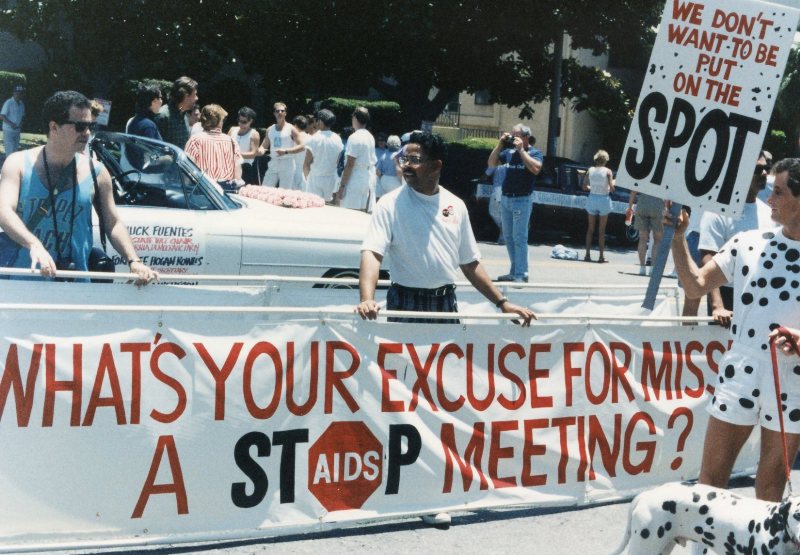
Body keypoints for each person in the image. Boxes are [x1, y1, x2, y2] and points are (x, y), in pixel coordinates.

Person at [671, 157, 800, 508]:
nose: (769, 200)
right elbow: (695, 286)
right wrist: (677, 237)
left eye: (778, 192)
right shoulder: (748, 242)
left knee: (770, 485)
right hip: (740, 369)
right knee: (711, 479)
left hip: (792, 381)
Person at [357, 130, 535, 328]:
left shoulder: (456, 206)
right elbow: (372, 254)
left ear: (435, 166)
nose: (406, 165)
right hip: (404, 301)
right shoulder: (388, 204)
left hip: (445, 302)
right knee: (403, 360)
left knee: (446, 360)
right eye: (404, 158)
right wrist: (367, 299)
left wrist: (502, 303)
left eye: (414, 159)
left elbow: (470, 264)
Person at [0, 90, 157, 284]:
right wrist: (34, 244)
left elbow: (113, 222)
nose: (88, 133)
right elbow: (4, 211)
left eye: (90, 126)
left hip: (75, 284)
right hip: (23, 281)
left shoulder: (97, 172)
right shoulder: (18, 164)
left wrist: (134, 261)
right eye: (80, 126)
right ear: (54, 127)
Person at [696, 150, 774, 327]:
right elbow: (708, 257)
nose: (764, 173)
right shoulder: (718, 210)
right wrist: (718, 306)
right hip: (727, 297)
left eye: (766, 168)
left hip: (760, 296)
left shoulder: (769, 213)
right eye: (757, 169)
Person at [488, 124, 543, 282]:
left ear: (526, 137)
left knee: (520, 237)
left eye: (516, 135)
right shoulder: (508, 153)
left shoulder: (534, 152)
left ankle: (522, 274)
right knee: (509, 237)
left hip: (522, 199)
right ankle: (514, 271)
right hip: (506, 198)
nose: (513, 138)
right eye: (512, 135)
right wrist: (500, 144)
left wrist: (521, 150)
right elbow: (492, 163)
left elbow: (536, 169)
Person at [184, 104, 242, 182]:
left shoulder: (195, 140)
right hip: (226, 191)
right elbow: (237, 175)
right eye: (223, 120)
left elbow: (187, 171)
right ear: (219, 121)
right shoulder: (232, 142)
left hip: (204, 190)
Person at [337, 107, 377, 212]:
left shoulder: (354, 137)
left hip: (354, 178)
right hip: (366, 177)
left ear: (354, 118)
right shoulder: (370, 137)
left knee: (348, 211)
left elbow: (350, 164)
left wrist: (342, 186)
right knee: (361, 211)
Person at [257, 102, 304, 188]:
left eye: (282, 111)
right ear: (274, 113)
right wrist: (259, 151)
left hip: (287, 163)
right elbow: (264, 146)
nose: (280, 113)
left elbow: (302, 146)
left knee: (284, 192)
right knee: (265, 189)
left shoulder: (291, 129)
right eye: (277, 111)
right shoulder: (270, 129)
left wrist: (286, 151)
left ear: (285, 113)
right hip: (273, 162)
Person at [582, 150, 615, 263]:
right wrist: (612, 185)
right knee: (601, 230)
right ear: (605, 160)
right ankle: (601, 256)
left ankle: (587, 255)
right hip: (603, 199)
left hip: (592, 198)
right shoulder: (608, 171)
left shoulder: (590, 170)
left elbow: (584, 186)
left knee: (590, 228)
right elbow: (612, 188)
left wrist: (594, 188)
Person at [303, 109, 343, 202]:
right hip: (331, 179)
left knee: (313, 209)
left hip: (315, 179)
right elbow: (338, 160)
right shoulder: (337, 139)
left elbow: (306, 163)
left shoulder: (314, 138)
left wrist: (307, 179)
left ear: (320, 121)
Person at [154, 76, 198, 148]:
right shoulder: (162, 116)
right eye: (195, 94)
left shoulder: (184, 116)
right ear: (185, 95)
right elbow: (155, 147)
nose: (197, 98)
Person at [627, 192, 664, 276]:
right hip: (658, 202)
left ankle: (642, 268)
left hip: (643, 201)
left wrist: (630, 207)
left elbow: (634, 189)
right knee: (657, 239)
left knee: (642, 238)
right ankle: (652, 269)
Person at [227, 107, 260, 184]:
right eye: (239, 121)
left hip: (246, 168)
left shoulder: (254, 134)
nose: (241, 124)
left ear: (251, 121)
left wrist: (236, 154)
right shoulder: (232, 130)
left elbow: (253, 154)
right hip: (230, 166)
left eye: (244, 122)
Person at [375, 134, 402, 200]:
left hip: (384, 180)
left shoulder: (384, 154)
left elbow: (377, 172)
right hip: (396, 180)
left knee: (384, 199)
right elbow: (400, 172)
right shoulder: (400, 155)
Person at [1, 85, 25, 156]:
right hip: (8, 131)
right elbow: (2, 116)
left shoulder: (22, 104)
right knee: (9, 151)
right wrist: (11, 124)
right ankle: (7, 166)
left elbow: (23, 116)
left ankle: (13, 166)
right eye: (17, 93)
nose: (18, 95)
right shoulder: (8, 102)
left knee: (15, 151)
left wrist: (21, 123)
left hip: (17, 131)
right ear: (13, 93)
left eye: (20, 93)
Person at [290, 115, 310, 190]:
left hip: (294, 168)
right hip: (307, 170)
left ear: (295, 125)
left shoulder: (293, 138)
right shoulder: (311, 138)